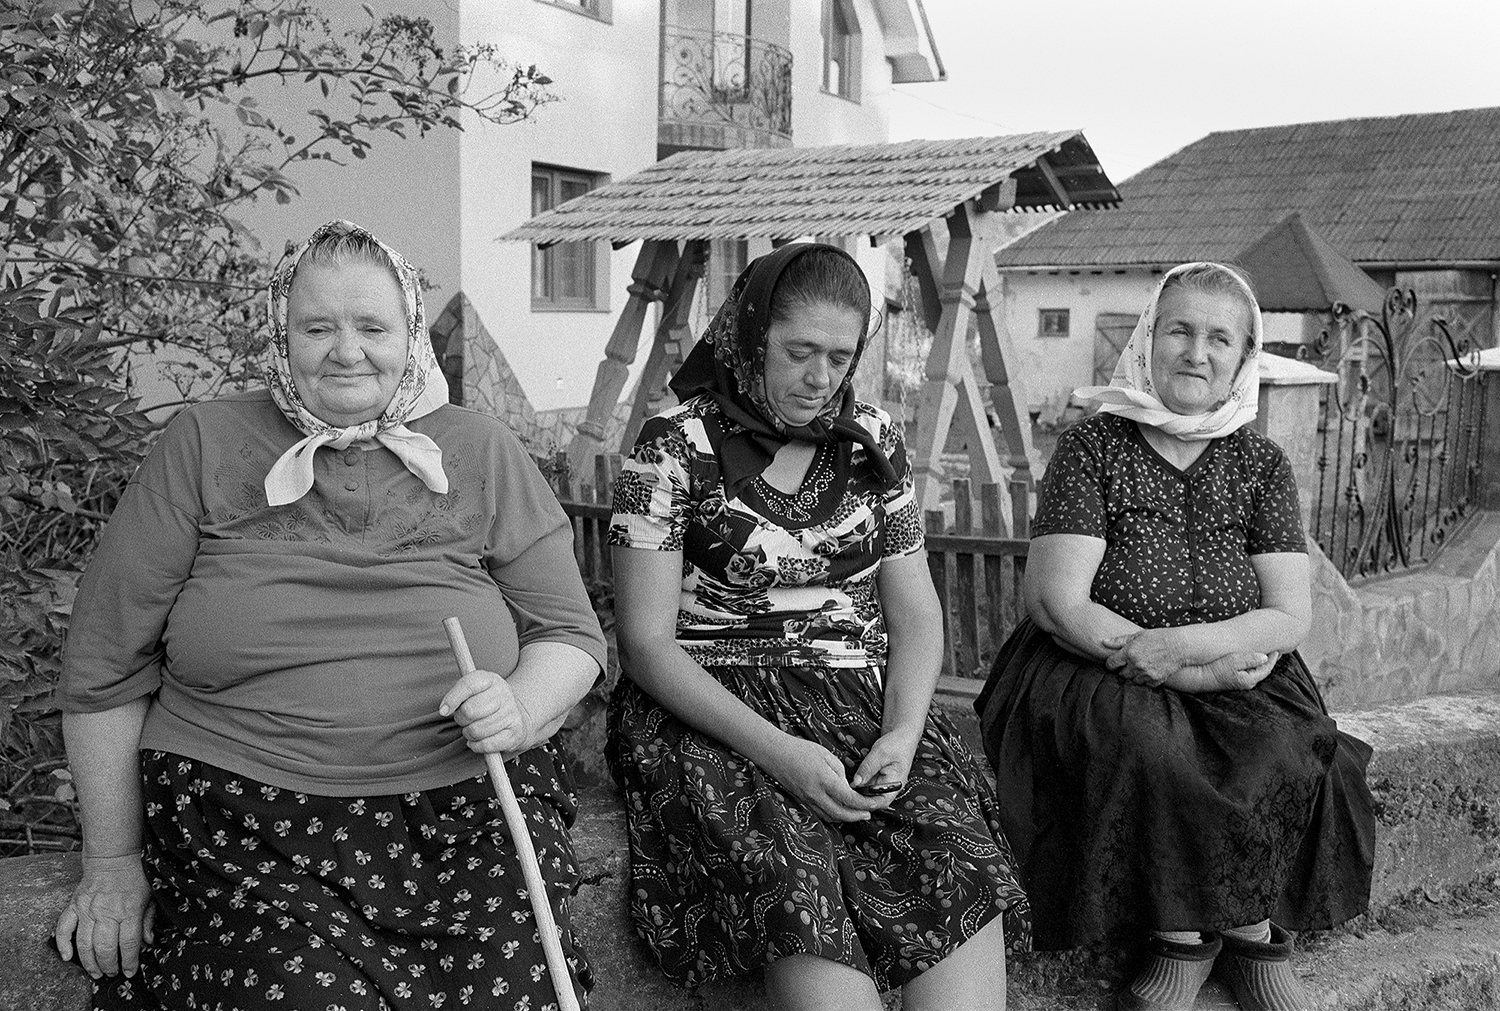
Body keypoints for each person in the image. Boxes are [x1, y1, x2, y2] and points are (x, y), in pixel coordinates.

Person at [52, 220, 607, 1011]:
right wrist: (112, 858)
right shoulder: (205, 442)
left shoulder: (479, 448)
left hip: (464, 811)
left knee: (511, 989)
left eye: (372, 326)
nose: (347, 350)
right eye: (318, 327)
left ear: (410, 332)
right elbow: (105, 660)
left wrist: (518, 707)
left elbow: (570, 634)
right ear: (282, 335)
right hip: (245, 815)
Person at [605, 242, 1031, 1011]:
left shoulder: (876, 442)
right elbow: (644, 644)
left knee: (952, 858)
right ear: (750, 334)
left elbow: (916, 613)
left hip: (858, 701)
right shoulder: (672, 447)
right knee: (797, 881)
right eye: (799, 351)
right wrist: (784, 754)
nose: (820, 377)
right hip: (711, 712)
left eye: (840, 356)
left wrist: (902, 733)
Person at [975, 262, 1376, 1011]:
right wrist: (1175, 669)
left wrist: (1189, 652)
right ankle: (1182, 943)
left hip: (1233, 664)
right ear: (1149, 340)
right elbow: (1057, 601)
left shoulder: (1259, 463)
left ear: (1242, 356)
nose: (1197, 351)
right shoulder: (1095, 446)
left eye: (1219, 338)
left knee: (1283, 746)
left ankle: (1254, 939)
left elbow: (1289, 614)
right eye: (1180, 331)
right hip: (1096, 661)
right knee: (1149, 747)